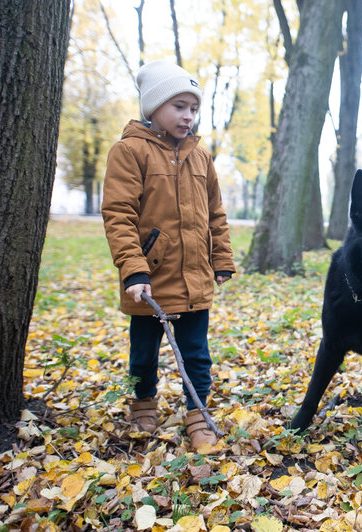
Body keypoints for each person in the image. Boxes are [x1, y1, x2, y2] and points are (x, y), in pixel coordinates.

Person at [102, 60, 236, 451]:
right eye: (179, 106)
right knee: (143, 355)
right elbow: (119, 215)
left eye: (193, 108)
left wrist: (222, 259)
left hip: (194, 278)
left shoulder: (201, 158)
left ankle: (198, 414)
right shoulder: (129, 152)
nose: (188, 116)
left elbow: (215, 214)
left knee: (196, 354)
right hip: (149, 281)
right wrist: (133, 271)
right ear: (154, 107)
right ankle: (143, 403)